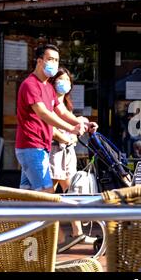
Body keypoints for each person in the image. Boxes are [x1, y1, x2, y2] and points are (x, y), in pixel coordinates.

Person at [15, 44, 91, 193]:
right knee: (47, 193)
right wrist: (71, 129)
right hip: (31, 146)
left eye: (56, 60)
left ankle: (25, 217)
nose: (54, 63)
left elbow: (61, 111)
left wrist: (82, 123)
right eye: (50, 59)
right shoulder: (30, 85)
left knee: (27, 194)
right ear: (39, 61)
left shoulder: (48, 87)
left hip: (42, 146)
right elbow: (43, 113)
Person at [48, 67, 98, 253]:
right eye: (60, 79)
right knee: (49, 196)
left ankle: (77, 233)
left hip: (67, 154)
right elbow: (49, 126)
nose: (64, 83)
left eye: (67, 80)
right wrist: (66, 137)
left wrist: (83, 124)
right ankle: (58, 233)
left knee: (72, 193)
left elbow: (72, 124)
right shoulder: (48, 101)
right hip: (53, 151)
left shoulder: (64, 105)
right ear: (53, 82)